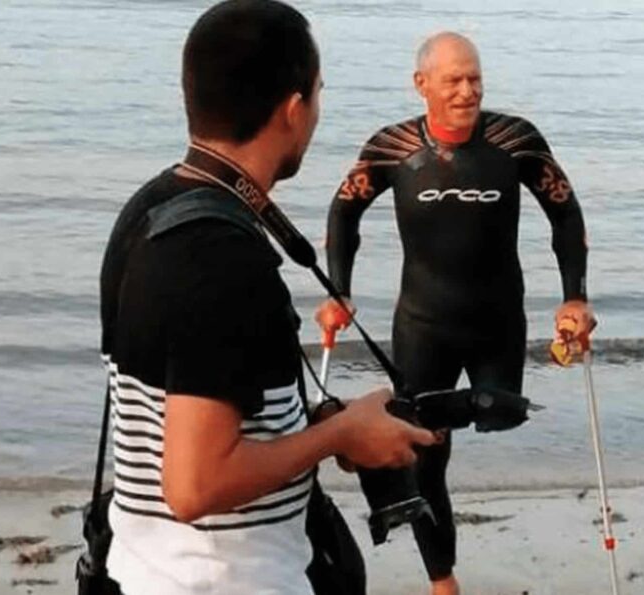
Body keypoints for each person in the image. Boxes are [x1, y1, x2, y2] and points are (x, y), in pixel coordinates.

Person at [97, 1, 435, 592]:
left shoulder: (151, 209)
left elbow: (179, 408)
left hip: (147, 567)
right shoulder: (216, 254)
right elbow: (195, 485)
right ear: (293, 107)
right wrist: (338, 435)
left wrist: (313, 426)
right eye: (319, 93)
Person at [317, 31, 594, 595]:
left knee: (505, 415)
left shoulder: (516, 141)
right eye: (453, 80)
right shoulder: (392, 148)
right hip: (424, 325)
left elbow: (565, 213)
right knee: (427, 460)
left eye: (475, 79)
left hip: (497, 324)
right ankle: (443, 582)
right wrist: (339, 291)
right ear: (422, 85)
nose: (467, 91)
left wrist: (574, 298)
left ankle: (388, 433)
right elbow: (344, 212)